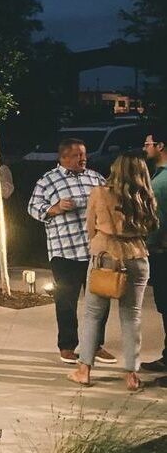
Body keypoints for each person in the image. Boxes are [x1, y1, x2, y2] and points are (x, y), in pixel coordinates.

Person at [67, 152, 157, 392]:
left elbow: (90, 228)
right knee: (132, 316)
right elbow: (151, 227)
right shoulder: (145, 195)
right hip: (137, 256)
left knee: (93, 314)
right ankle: (131, 375)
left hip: (105, 256)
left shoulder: (99, 193)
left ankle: (84, 370)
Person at [28, 137, 115, 365]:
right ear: (64, 157)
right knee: (66, 301)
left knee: (100, 300)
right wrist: (54, 208)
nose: (83, 158)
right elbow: (32, 208)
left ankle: (95, 345)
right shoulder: (48, 180)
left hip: (94, 251)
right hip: (65, 251)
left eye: (84, 154)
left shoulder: (95, 178)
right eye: (77, 155)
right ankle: (67, 346)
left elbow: (111, 203)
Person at [141, 128, 167, 378]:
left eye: (147, 144)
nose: (144, 148)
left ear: (160, 145)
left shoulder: (160, 182)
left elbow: (156, 222)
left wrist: (147, 248)